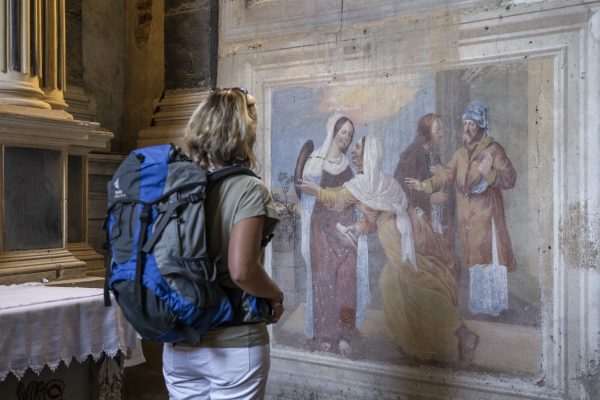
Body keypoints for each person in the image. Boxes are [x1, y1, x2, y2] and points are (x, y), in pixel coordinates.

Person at [298, 136, 479, 367]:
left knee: (415, 286)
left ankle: (464, 335)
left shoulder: (366, 182)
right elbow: (373, 218)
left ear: (368, 154)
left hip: (400, 238)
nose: (353, 152)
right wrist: (356, 227)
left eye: (358, 149)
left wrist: (317, 191)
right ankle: (412, 346)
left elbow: (338, 199)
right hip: (403, 234)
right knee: (391, 284)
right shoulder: (381, 182)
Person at [162, 87, 285, 400]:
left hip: (180, 342)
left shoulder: (175, 185)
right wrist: (276, 294)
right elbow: (242, 271)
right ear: (245, 132)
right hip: (234, 344)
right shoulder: (249, 189)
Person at [405, 101, 517, 316]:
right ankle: (480, 309)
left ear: (481, 125)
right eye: (465, 123)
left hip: (487, 216)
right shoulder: (460, 153)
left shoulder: (493, 150)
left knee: (490, 260)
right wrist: (425, 185)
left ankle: (496, 309)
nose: (466, 128)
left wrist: (489, 174)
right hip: (468, 218)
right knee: (476, 262)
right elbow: (446, 175)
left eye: (471, 124)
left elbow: (510, 179)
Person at [298, 114, 368, 357]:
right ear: (334, 131)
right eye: (343, 132)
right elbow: (308, 200)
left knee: (346, 282)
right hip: (323, 230)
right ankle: (325, 335)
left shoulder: (348, 168)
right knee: (323, 281)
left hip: (347, 232)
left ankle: (344, 335)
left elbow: (353, 200)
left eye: (350, 134)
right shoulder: (315, 163)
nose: (346, 138)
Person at [394, 113, 456, 271]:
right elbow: (402, 191)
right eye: (438, 129)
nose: (442, 133)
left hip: (437, 222)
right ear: (427, 132)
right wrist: (430, 199)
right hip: (419, 224)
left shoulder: (433, 155)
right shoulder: (411, 156)